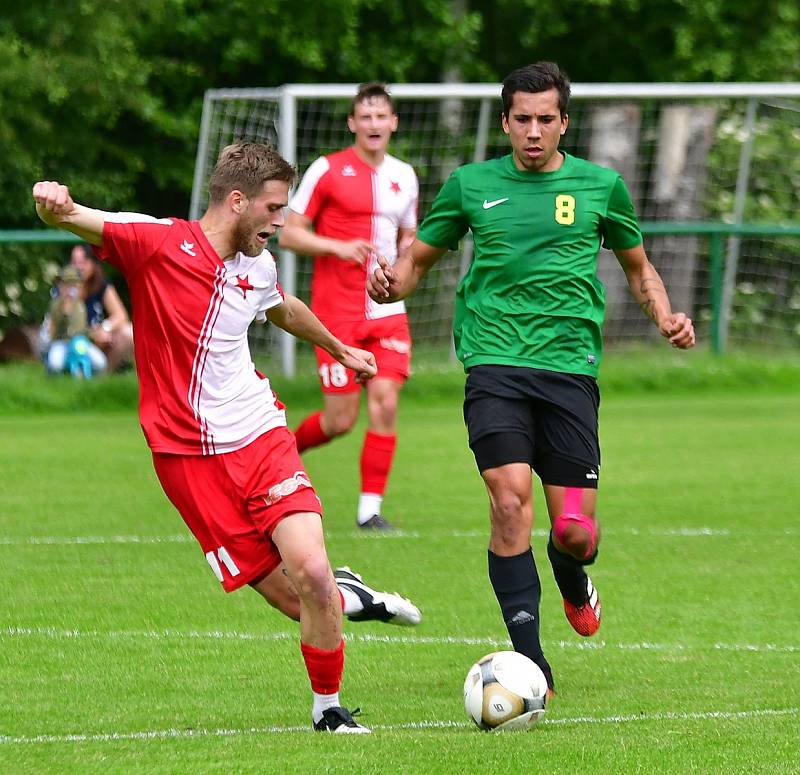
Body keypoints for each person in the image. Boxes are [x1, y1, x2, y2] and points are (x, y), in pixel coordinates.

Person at [32, 141, 422, 734]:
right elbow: (70, 216)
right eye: (272, 208)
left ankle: (329, 712)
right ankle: (358, 599)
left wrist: (340, 348)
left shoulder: (257, 263)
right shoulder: (156, 242)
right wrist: (51, 201)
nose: (281, 221)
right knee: (295, 600)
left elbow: (279, 306)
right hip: (187, 459)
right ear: (236, 201)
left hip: (260, 434)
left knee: (312, 573)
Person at [368, 62, 695, 693]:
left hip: (570, 371)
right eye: (524, 119)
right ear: (506, 122)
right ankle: (530, 662)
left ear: (564, 122)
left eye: (547, 119)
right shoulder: (470, 185)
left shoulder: (601, 186)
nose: (535, 131)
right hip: (495, 365)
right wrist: (390, 282)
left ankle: (574, 576)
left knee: (574, 531)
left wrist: (664, 314)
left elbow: (638, 268)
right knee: (508, 498)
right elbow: (417, 263)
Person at [279, 82, 419, 531]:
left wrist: (404, 270)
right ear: (352, 123)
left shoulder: (405, 176)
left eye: (382, 116)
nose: (375, 124)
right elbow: (288, 233)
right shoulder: (328, 170)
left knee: (385, 403)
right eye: (366, 116)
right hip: (336, 313)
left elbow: (409, 240)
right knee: (340, 420)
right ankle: (281, 455)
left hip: (386, 311)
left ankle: (369, 512)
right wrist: (338, 248)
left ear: (393, 123)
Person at [69, 242, 135, 371]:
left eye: (83, 262)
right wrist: (93, 334)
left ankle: (103, 375)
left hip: (98, 340)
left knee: (129, 332)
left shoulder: (101, 284)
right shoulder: (66, 287)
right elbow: (67, 325)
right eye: (74, 262)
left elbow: (120, 315)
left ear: (93, 263)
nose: (79, 267)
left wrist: (106, 328)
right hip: (73, 340)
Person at [44, 264, 107, 376]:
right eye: (65, 286)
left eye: (73, 286)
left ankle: (86, 377)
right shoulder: (55, 305)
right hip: (61, 342)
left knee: (100, 363)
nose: (69, 290)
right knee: (55, 365)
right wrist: (64, 313)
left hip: (79, 342)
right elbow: (54, 330)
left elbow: (82, 329)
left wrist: (94, 333)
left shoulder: (80, 305)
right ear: (60, 286)